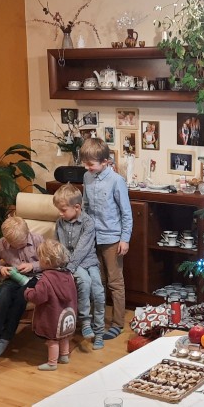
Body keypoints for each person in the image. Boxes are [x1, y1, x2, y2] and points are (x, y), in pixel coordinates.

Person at [80, 138, 132, 340]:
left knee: (115, 282)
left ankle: (117, 323)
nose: (87, 167)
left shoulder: (117, 181)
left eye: (90, 164)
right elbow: (85, 206)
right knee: (97, 281)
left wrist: (124, 239)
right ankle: (97, 321)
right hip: (92, 238)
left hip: (112, 239)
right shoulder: (87, 177)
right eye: (85, 163)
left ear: (105, 162)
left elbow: (126, 213)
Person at [0, 216, 45, 358]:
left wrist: (32, 265)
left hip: (35, 278)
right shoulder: (1, 244)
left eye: (21, 244)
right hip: (13, 277)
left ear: (27, 233)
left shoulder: (38, 240)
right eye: (14, 245)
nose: (18, 247)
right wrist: (1, 269)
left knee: (21, 296)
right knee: (2, 293)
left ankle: (5, 338)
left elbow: (50, 262)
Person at [53, 184, 105, 351]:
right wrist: (64, 265)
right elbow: (58, 246)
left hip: (87, 261)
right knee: (85, 282)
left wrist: (71, 266)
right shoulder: (59, 223)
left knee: (98, 292)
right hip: (71, 263)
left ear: (77, 207)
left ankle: (99, 332)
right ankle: (85, 322)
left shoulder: (88, 223)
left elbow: (82, 249)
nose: (60, 213)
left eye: (63, 210)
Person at [24, 240, 78, 371]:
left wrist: (28, 292)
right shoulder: (69, 275)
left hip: (52, 317)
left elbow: (38, 297)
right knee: (64, 336)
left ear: (46, 262)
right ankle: (64, 356)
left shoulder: (45, 279)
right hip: (68, 315)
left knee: (52, 340)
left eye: (40, 259)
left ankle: (52, 363)